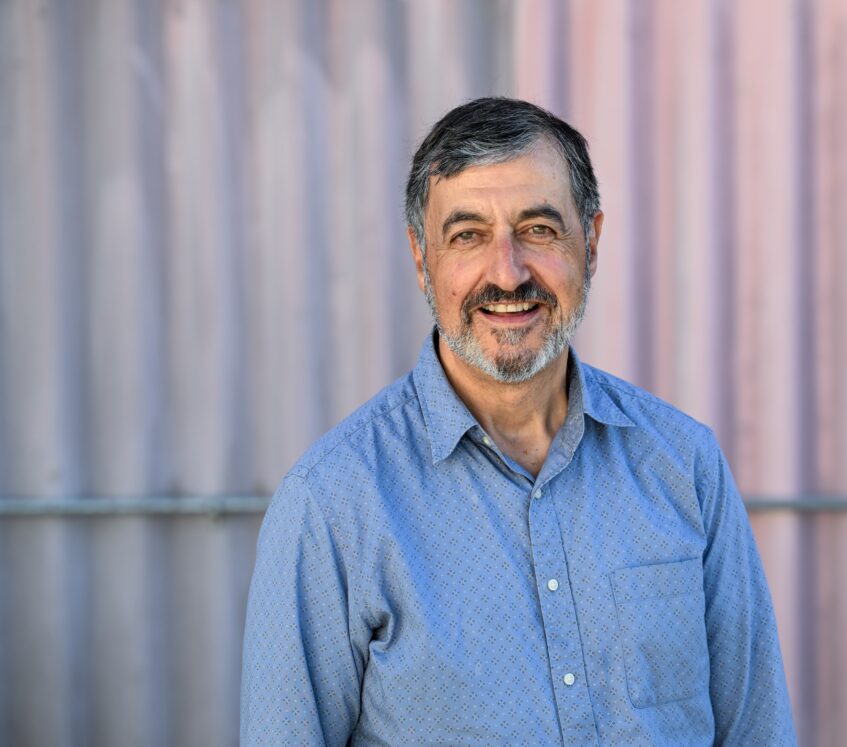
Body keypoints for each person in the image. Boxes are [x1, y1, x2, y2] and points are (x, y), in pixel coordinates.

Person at [241, 97, 797, 746]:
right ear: (423, 259)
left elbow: (757, 729)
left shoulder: (684, 463)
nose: (507, 272)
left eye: (538, 229)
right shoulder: (334, 504)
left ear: (589, 244)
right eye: (468, 234)